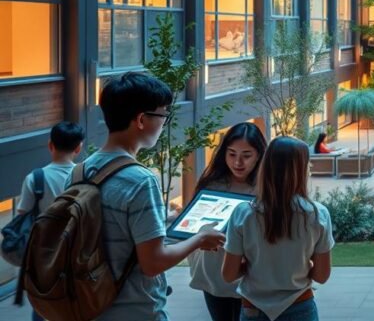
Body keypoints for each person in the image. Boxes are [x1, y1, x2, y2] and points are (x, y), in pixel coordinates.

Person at [78, 72, 224, 321]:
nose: (164, 122)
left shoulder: (80, 170)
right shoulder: (140, 180)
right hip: (133, 311)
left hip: (85, 305)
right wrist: (199, 239)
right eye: (163, 115)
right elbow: (153, 262)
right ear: (142, 120)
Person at [222, 136, 334, 321]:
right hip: (300, 306)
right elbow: (322, 276)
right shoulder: (317, 214)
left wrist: (253, 266)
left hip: (253, 308)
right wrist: (300, 266)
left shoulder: (244, 213)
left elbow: (228, 274)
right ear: (301, 170)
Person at [188, 122, 267, 321]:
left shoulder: (267, 189)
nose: (238, 162)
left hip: (251, 277)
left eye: (246, 155)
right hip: (213, 274)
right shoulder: (211, 185)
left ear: (259, 155)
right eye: (232, 154)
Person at [16, 121, 84, 321]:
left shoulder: (35, 178)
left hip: (43, 253)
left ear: (50, 145)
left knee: (42, 303)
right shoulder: (84, 175)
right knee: (74, 302)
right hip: (76, 250)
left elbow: (22, 214)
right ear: (78, 148)